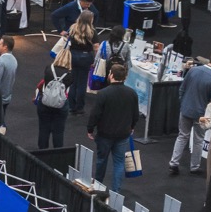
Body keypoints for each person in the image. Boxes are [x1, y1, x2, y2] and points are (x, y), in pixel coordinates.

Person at [87, 64, 140, 194]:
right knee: (119, 163)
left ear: (111, 75)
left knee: (101, 160)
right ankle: (115, 191)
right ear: (125, 77)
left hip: (105, 134)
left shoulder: (104, 93)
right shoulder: (132, 93)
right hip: (123, 134)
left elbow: (95, 114)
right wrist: (132, 126)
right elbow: (135, 113)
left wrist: (90, 129)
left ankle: (98, 186)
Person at [170, 53, 211, 176]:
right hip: (201, 114)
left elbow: (182, 89)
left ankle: (174, 162)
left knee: (182, 136)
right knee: (198, 140)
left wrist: (183, 104)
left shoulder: (193, 70)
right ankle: (194, 166)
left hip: (186, 110)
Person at [36, 45, 74, 149]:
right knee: (59, 131)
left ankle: (42, 153)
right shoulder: (70, 75)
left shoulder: (48, 68)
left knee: (43, 129)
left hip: (45, 102)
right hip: (61, 105)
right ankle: (57, 153)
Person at [65, 11, 97, 115]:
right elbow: (96, 47)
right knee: (82, 83)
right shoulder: (92, 31)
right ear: (90, 19)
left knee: (73, 82)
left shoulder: (73, 28)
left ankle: (71, 106)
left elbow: (67, 40)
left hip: (73, 56)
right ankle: (80, 108)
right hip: (86, 58)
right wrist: (95, 60)